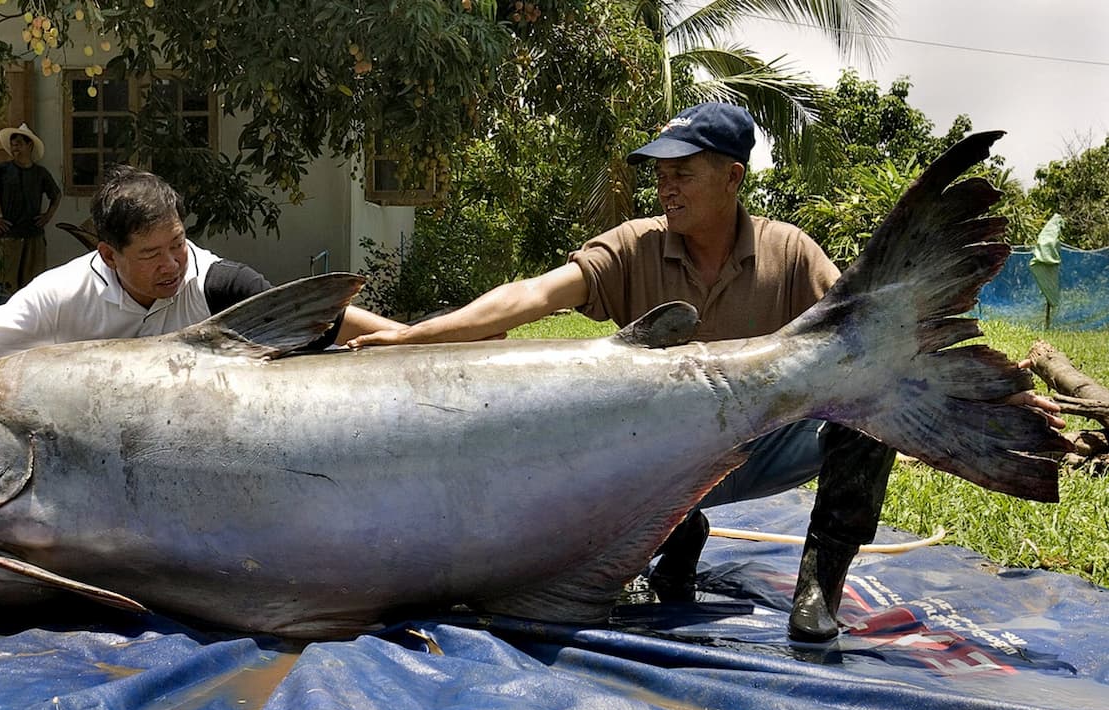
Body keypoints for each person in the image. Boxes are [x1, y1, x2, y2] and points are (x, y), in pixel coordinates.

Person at [348, 102, 1063, 642]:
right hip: (650, 460)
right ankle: (672, 534)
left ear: (731, 177)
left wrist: (964, 404)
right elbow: (530, 297)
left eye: (682, 172)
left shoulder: (789, 251)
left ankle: (821, 583)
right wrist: (415, 335)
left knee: (863, 397)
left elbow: (870, 345)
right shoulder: (633, 247)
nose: (666, 186)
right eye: (660, 173)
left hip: (765, 444)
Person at [0, 166, 404, 412]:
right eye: (151, 254)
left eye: (178, 243)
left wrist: (414, 339)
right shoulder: (58, 299)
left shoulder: (215, 282)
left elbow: (317, 316)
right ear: (107, 254)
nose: (172, 264)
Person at [0, 123, 63, 292]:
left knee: (33, 283)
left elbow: (56, 195)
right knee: (7, 283)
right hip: (10, 235)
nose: (15, 148)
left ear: (29, 145)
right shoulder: (3, 170)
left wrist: (48, 216)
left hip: (34, 235)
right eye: (13, 145)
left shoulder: (40, 173)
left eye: (18, 144)